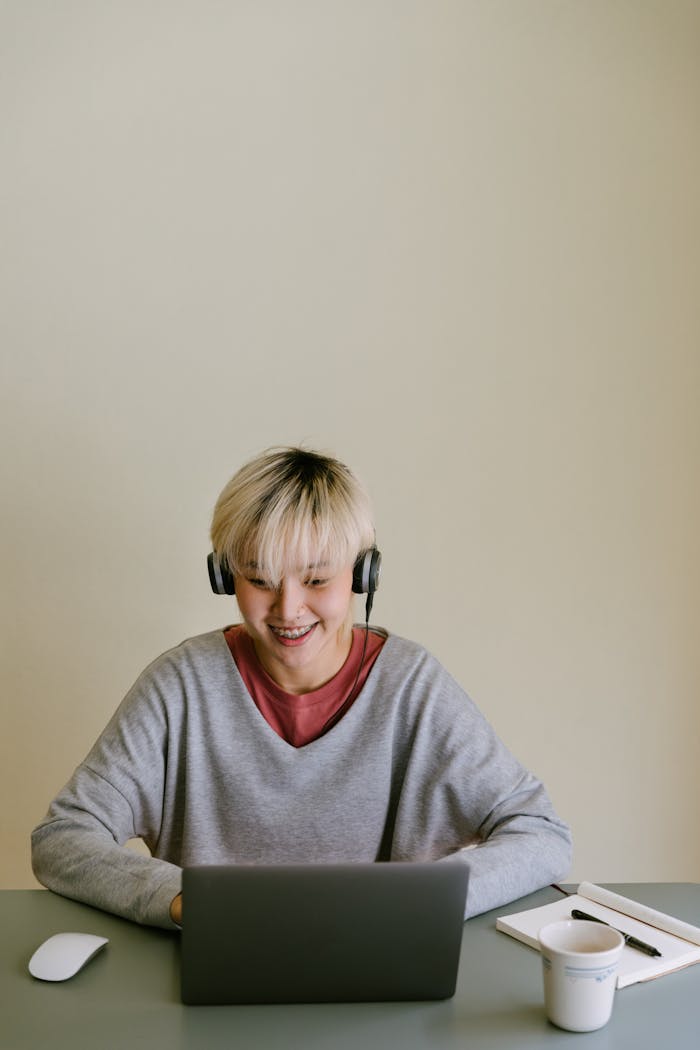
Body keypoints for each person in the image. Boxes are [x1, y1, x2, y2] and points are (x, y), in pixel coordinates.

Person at [32, 446, 572, 928]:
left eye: (316, 580)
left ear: (363, 575)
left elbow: (541, 834)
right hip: (218, 974)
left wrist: (422, 904)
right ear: (225, 578)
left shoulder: (412, 688)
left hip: (381, 975)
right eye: (260, 580)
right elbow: (62, 839)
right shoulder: (180, 686)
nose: (288, 610)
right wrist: (179, 900)